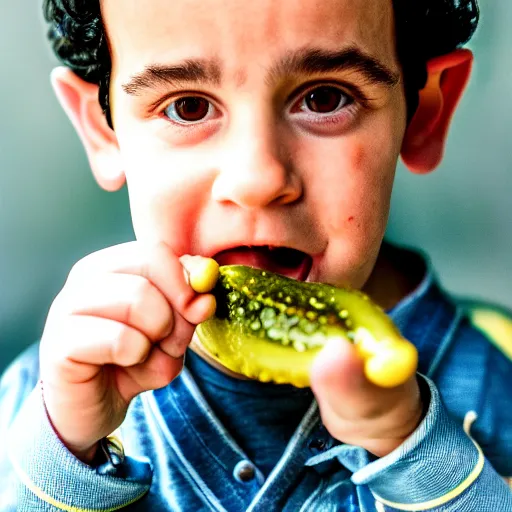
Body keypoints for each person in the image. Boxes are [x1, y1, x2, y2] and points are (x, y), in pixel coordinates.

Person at [0, 0, 511, 510]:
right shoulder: (45, 409)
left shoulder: (498, 381)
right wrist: (62, 467)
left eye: (325, 97)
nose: (258, 178)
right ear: (104, 130)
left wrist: (420, 454)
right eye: (188, 107)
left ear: (423, 114)